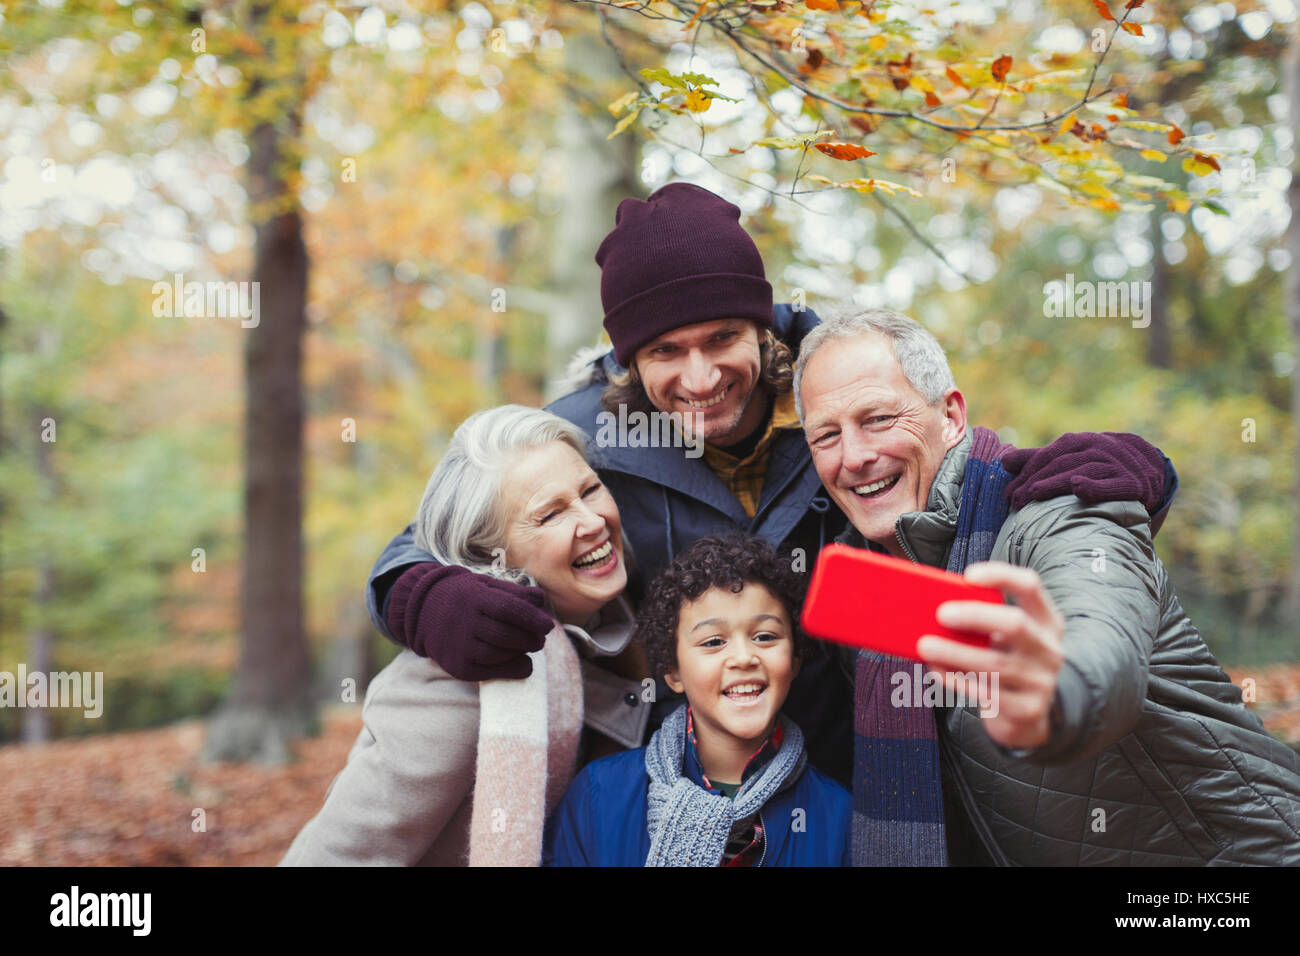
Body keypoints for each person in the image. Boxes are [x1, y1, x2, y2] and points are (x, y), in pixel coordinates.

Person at [363, 181, 1171, 788]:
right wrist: (419, 595)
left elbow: (953, 476)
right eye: (664, 353)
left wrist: (1091, 478)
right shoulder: (586, 435)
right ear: (626, 360)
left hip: (861, 767)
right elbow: (431, 534)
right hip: (677, 776)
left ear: (764, 325)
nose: (700, 375)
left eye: (723, 338)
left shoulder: (838, 399)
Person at [793, 302, 1300, 866]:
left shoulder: (1059, 514)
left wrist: (1059, 691)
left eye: (878, 419)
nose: (855, 456)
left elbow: (1101, 635)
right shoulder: (863, 600)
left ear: (951, 416)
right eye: (826, 436)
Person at [281, 406, 641, 866]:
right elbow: (342, 856)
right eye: (550, 515)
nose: (591, 521)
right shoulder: (463, 676)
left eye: (590, 489)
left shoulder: (604, 626)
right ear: (492, 556)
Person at [544, 535, 852, 866]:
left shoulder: (840, 817)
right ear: (673, 671)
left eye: (765, 637)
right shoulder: (599, 794)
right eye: (713, 642)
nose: (743, 657)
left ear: (794, 661)